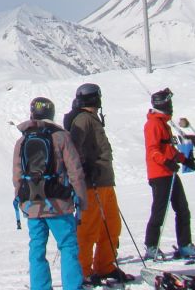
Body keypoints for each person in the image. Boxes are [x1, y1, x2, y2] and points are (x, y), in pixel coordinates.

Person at [13, 96, 88, 290]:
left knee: (37, 248)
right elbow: (75, 171)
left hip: (33, 204)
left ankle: (40, 287)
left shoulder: (23, 140)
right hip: (58, 203)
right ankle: (72, 286)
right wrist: (80, 200)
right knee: (68, 246)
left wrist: (22, 201)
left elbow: (17, 175)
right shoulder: (61, 137)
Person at [64, 84, 132, 286]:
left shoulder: (91, 118)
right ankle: (82, 271)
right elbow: (73, 148)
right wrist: (85, 167)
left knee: (110, 225)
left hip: (104, 182)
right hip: (92, 183)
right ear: (95, 99)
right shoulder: (83, 119)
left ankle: (104, 266)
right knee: (89, 228)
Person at [143, 88, 195, 260]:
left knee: (182, 208)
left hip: (170, 172)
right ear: (163, 104)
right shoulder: (153, 124)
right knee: (159, 211)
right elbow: (152, 151)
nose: (172, 106)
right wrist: (166, 162)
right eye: (169, 103)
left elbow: (168, 149)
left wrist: (184, 160)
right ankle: (151, 246)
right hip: (159, 174)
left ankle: (184, 245)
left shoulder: (163, 124)